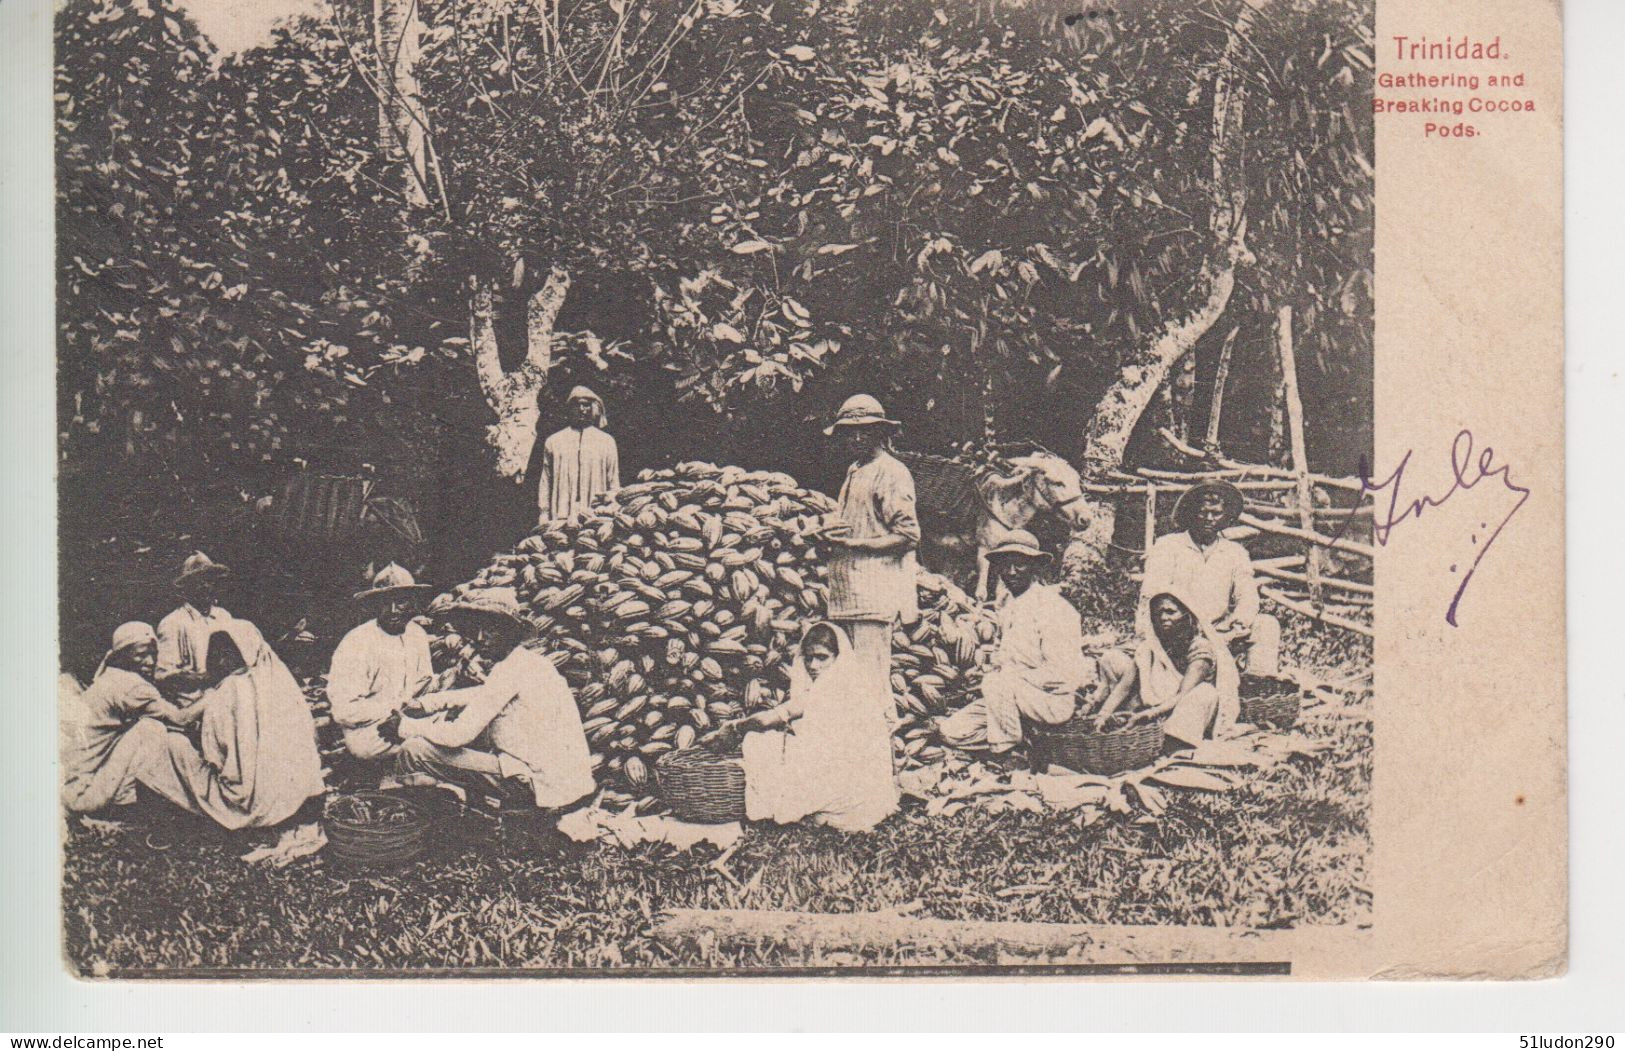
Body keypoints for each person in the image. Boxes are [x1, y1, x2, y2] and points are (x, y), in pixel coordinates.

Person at [393, 588, 595, 812]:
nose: (480, 638)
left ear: (511, 632)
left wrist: (403, 727)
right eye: (477, 629)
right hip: (567, 783)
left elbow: (458, 735)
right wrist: (429, 703)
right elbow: (486, 694)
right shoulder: (530, 663)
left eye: (491, 630)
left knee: (414, 749)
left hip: (543, 785)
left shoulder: (511, 670)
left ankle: (420, 820)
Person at [704, 622, 898, 833]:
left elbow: (765, 720)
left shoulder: (835, 686)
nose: (813, 665)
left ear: (838, 658)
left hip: (853, 781)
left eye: (822, 657)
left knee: (761, 743)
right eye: (808, 657)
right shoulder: (854, 684)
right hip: (863, 782)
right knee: (781, 747)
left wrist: (734, 728)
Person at [143, 619, 327, 830]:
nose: (220, 661)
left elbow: (215, 756)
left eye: (226, 653)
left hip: (250, 801)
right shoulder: (282, 683)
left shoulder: (230, 689)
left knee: (173, 744)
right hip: (297, 795)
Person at [935, 533, 1096, 755]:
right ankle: (1028, 740)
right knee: (950, 732)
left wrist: (1007, 678)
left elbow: (1064, 674)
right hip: (1009, 698)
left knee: (995, 684)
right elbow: (1005, 656)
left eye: (1019, 565)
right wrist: (989, 670)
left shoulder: (1055, 609)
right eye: (1005, 565)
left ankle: (1007, 750)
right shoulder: (1007, 606)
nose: (1011, 572)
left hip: (1049, 699)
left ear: (1035, 567)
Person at [820, 394, 920, 734]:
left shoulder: (892, 472)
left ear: (880, 432)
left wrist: (857, 544)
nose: (856, 439)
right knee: (849, 682)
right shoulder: (855, 470)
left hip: (872, 594)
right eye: (849, 432)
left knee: (872, 683)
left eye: (864, 431)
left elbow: (908, 535)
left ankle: (882, 750)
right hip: (845, 595)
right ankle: (857, 751)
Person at [1140, 481, 1282, 675]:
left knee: (1266, 624)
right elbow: (1151, 596)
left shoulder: (1234, 552)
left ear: (1225, 517)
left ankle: (1257, 685)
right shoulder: (1168, 546)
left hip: (1220, 630)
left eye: (1216, 514)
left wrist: (1237, 623)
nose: (1209, 519)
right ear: (1191, 513)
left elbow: (1248, 597)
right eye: (1202, 512)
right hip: (1178, 631)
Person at [61, 623, 199, 814]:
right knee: (151, 728)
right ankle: (124, 804)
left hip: (69, 788)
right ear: (122, 656)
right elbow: (182, 719)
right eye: (141, 654)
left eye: (153, 653)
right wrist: (217, 692)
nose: (150, 661)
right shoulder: (131, 686)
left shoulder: (110, 677)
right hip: (84, 794)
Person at [1097, 588, 1241, 751]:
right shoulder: (1150, 648)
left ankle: (1174, 740)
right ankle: (1147, 733)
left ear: (1187, 616)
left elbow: (1183, 694)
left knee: (1205, 692)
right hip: (1156, 709)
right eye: (1158, 614)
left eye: (1170, 612)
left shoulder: (1200, 647)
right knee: (1113, 659)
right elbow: (1125, 685)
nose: (1163, 618)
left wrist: (1149, 714)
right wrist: (1102, 715)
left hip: (1185, 711)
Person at [326, 563, 435, 761]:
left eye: (401, 601)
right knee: (427, 745)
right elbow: (344, 711)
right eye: (385, 602)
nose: (393, 610)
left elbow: (425, 682)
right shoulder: (357, 641)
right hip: (372, 732)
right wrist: (396, 710)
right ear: (375, 605)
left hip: (409, 719)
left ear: (413, 603)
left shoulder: (417, 635)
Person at [535, 385, 620, 523]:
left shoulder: (606, 441)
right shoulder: (554, 441)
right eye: (577, 405)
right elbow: (545, 480)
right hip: (561, 513)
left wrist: (612, 503)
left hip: (595, 514)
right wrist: (543, 512)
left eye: (586, 405)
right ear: (569, 409)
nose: (582, 410)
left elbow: (613, 481)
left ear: (593, 408)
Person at [155, 552, 235, 696]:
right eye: (199, 581)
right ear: (186, 587)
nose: (206, 586)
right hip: (194, 702)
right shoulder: (173, 622)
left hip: (228, 695)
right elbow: (164, 677)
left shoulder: (223, 616)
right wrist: (208, 678)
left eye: (211, 580)